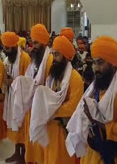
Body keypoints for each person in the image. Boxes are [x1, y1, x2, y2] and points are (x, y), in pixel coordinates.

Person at [66, 36, 117, 164]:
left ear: (113, 66)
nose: (96, 68)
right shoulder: (94, 88)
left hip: (112, 158)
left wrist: (100, 124)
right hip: (89, 155)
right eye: (94, 63)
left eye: (100, 63)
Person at [30, 36, 83, 164]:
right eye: (53, 54)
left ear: (65, 56)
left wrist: (51, 111)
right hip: (49, 126)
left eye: (57, 54)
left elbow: (74, 106)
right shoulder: (53, 75)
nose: (54, 58)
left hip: (62, 129)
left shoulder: (75, 78)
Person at [9, 24, 53, 164]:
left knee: (40, 147)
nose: (33, 46)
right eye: (32, 42)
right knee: (31, 143)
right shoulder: (36, 60)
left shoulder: (50, 61)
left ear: (44, 42)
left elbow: (48, 88)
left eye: (36, 42)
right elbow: (30, 79)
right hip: (30, 106)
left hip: (41, 110)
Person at [1, 32, 31, 163]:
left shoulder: (25, 58)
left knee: (21, 127)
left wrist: (13, 81)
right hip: (11, 96)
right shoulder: (9, 59)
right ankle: (16, 153)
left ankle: (23, 156)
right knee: (13, 126)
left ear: (14, 47)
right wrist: (6, 81)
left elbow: (28, 82)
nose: (5, 51)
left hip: (22, 100)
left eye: (7, 49)